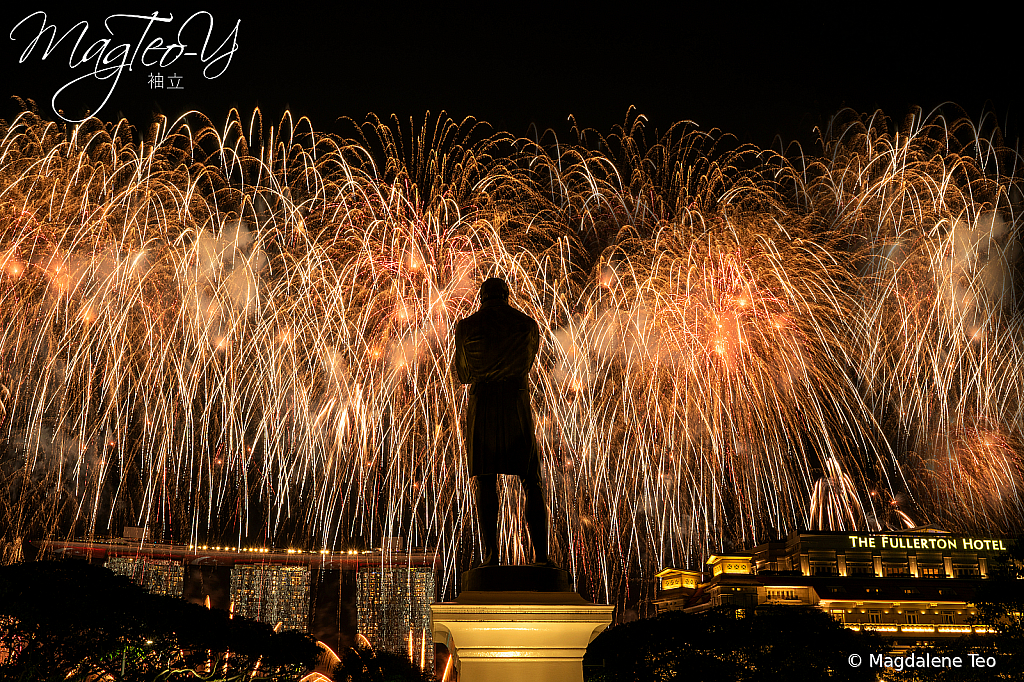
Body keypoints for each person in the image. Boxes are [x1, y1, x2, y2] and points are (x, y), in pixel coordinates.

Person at [452, 277, 551, 567]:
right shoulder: (527, 325)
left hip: (482, 406)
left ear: (481, 298)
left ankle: (491, 557)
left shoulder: (466, 327)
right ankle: (542, 557)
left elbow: (464, 374)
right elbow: (527, 363)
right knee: (531, 480)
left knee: (485, 480)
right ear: (506, 296)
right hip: (515, 403)